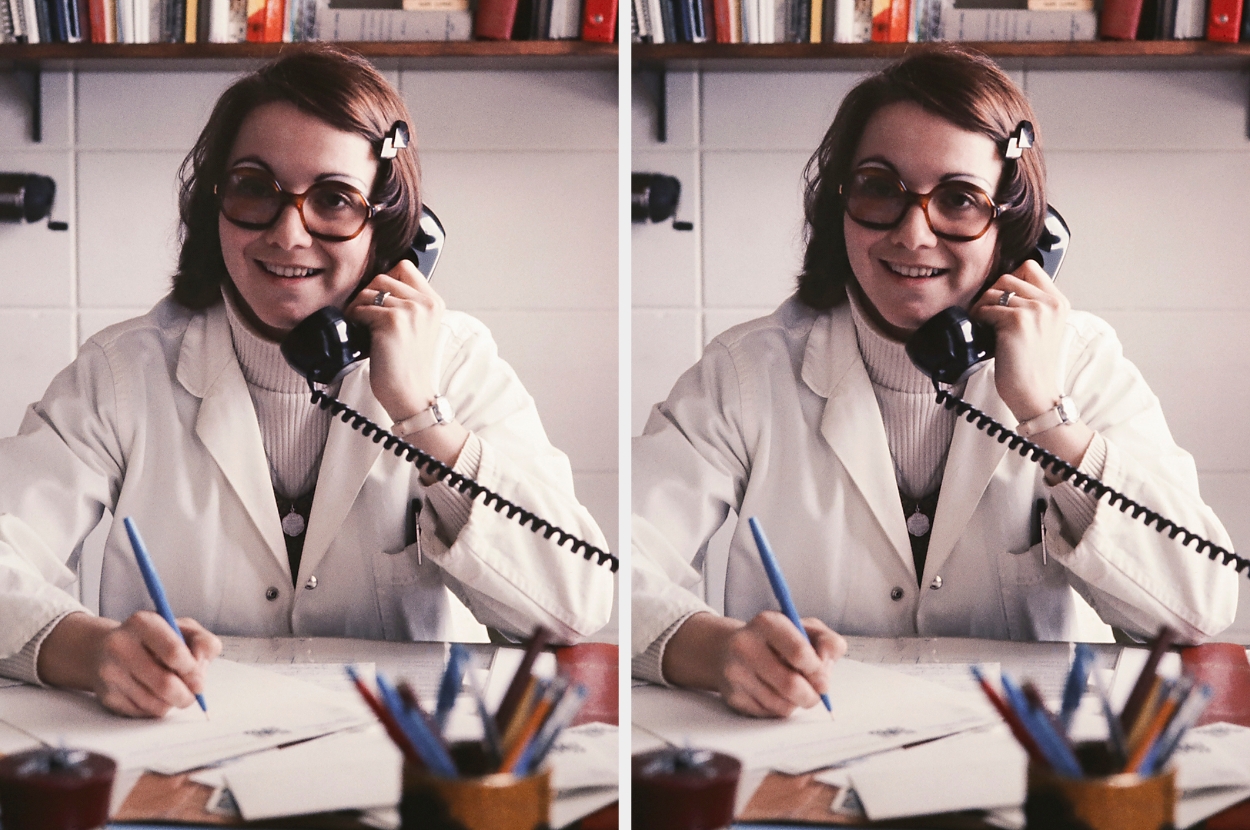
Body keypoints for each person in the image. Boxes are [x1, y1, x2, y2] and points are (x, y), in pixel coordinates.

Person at [0, 46, 613, 718]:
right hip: (181, 748)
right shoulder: (121, 373)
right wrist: (87, 649)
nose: (289, 234)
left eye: (333, 199)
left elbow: (575, 608)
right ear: (214, 204)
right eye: (255, 188)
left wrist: (423, 418)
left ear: (391, 225)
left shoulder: (455, 361)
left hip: (397, 758)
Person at [631, 46, 1239, 718]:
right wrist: (713, 649)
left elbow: (1198, 608)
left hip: (1015, 759)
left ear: (1017, 227)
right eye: (879, 189)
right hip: (802, 753)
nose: (913, 233)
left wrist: (1048, 419)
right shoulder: (746, 373)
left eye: (958, 199)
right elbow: (606, 570)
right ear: (839, 203)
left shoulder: (1080, 362)